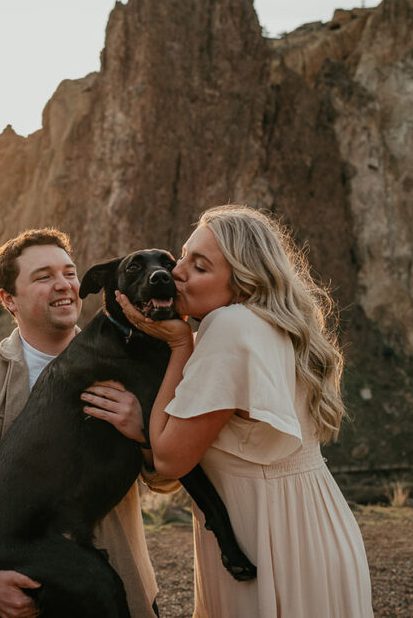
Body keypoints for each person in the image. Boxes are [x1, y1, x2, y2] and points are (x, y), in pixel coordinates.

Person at [84, 205, 374, 617]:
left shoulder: (229, 326)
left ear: (242, 285)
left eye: (199, 267)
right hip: (315, 529)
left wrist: (180, 344)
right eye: (183, 256)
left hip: (270, 545)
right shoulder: (277, 325)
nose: (178, 272)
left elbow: (168, 460)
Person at [0, 228, 176, 618]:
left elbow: (167, 479)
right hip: (7, 594)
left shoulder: (135, 367)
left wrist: (144, 433)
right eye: (43, 276)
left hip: (114, 584)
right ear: (8, 299)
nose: (63, 285)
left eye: (69, 272)